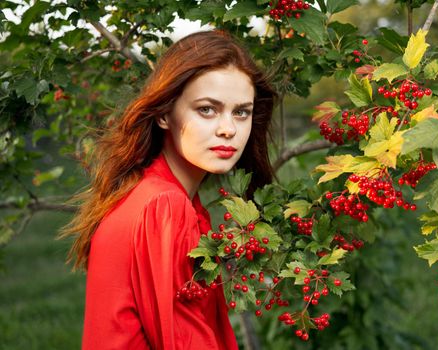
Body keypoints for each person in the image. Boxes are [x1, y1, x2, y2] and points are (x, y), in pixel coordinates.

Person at [59, 30, 276, 349]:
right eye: (207, 109)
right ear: (164, 113)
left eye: (241, 112)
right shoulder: (164, 207)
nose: (228, 129)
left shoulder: (150, 193)